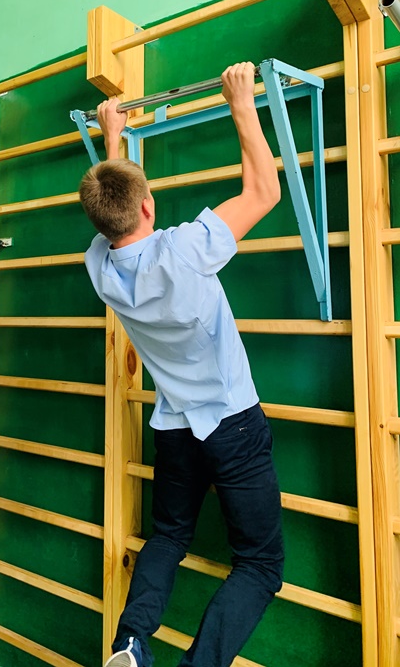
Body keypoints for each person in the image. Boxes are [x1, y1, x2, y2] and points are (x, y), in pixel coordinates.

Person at [79, 63, 284, 667]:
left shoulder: (99, 266)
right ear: (149, 205)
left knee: (168, 536)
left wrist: (112, 140)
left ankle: (130, 644)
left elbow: (113, 209)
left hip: (174, 428)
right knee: (260, 565)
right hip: (231, 424)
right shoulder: (185, 249)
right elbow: (264, 193)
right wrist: (241, 101)